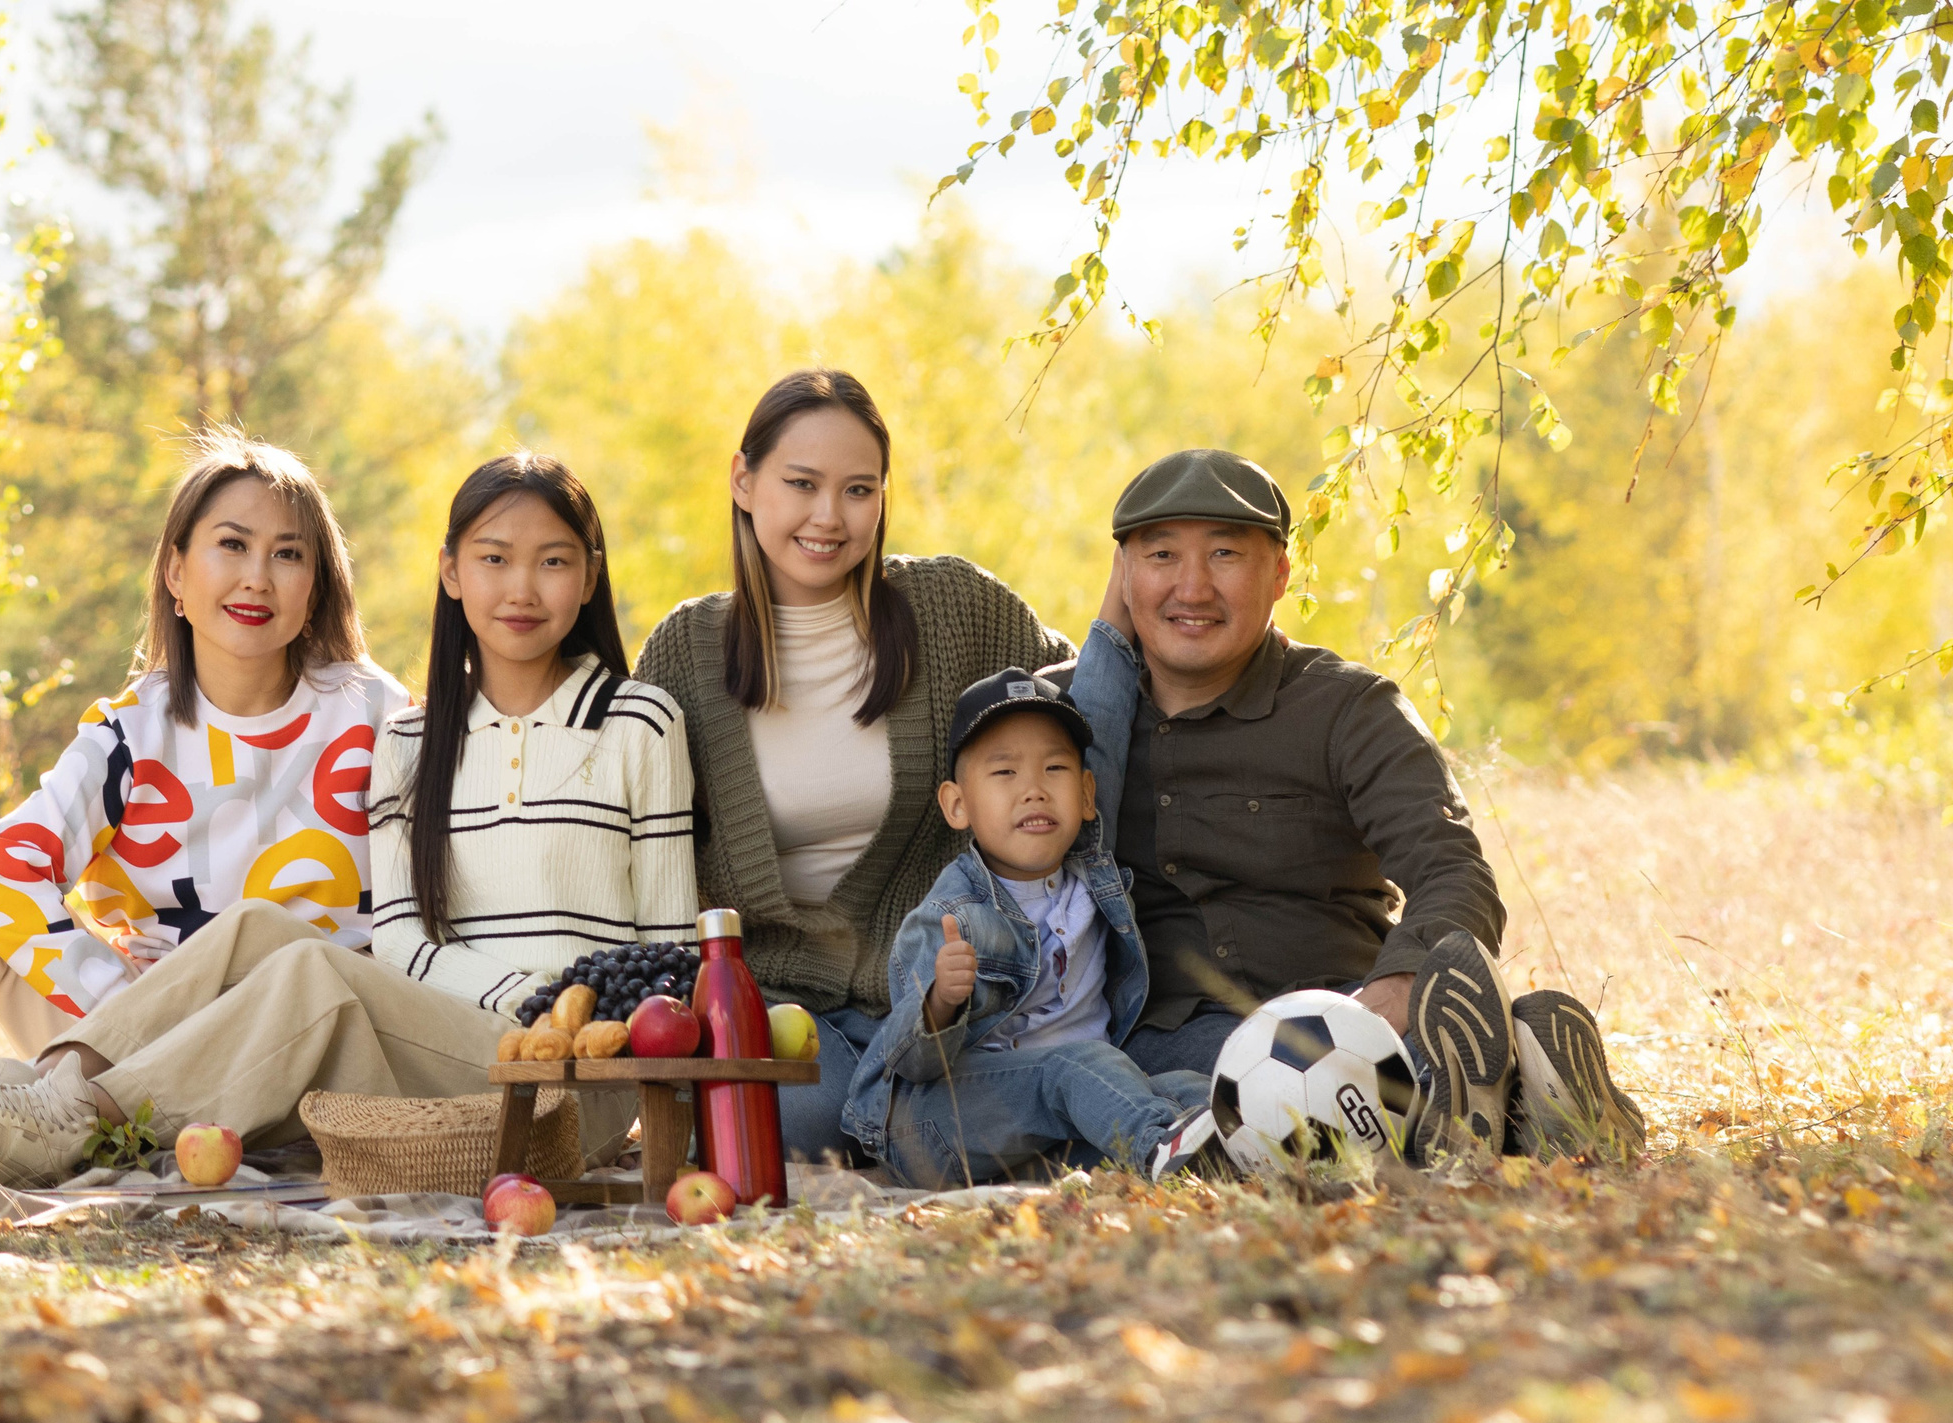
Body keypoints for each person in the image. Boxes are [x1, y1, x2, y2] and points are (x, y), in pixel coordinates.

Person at [0, 452, 697, 1188]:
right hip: (440, 1041)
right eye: (495, 558)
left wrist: (562, 1009)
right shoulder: (416, 741)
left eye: (552, 561)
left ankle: (68, 1118)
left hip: (572, 1078)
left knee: (307, 969)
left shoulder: (641, 724)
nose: (521, 587)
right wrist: (516, 997)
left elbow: (675, 957)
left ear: (590, 576)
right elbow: (405, 944)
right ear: (451, 572)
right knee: (258, 927)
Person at [0, 431, 406, 1202]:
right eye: (232, 544)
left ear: (317, 585)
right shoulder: (135, 729)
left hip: (289, 1046)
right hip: (124, 1038)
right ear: (176, 572)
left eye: (288, 554)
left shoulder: (373, 715)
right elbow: (3, 868)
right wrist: (126, 1009)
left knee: (95, 1057)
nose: (257, 577)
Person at [1067, 448, 1645, 1155]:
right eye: (1161, 555)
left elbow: (1452, 871)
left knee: (1342, 1079)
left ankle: (1498, 1095)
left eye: (1225, 554)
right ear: (1123, 574)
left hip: (1348, 1005)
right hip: (1170, 1038)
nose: (1192, 586)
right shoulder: (1067, 721)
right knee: (1216, 1098)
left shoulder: (1349, 708)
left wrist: (1399, 987)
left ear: (1279, 573)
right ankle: (1518, 1097)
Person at [636, 369, 1070, 1164]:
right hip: (769, 1006)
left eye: (859, 490)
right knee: (813, 1117)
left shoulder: (951, 606)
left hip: (934, 995)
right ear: (744, 479)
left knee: (954, 1086)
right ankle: (932, 1124)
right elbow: (634, 827)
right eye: (802, 484)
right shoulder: (686, 650)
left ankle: (939, 1116)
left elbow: (1074, 700)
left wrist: (1174, 643)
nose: (830, 517)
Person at [845, 667, 1223, 1188]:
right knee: (1074, 1068)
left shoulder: (1094, 884)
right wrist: (942, 1001)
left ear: (1088, 795)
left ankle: (1236, 1145)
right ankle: (1164, 1154)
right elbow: (913, 1063)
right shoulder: (952, 916)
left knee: (1184, 1087)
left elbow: (1108, 709)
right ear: (957, 805)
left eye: (1054, 768)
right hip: (937, 1122)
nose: (1034, 791)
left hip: (1042, 1123)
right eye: (1004, 774)